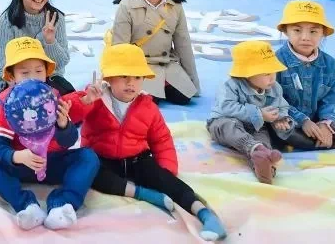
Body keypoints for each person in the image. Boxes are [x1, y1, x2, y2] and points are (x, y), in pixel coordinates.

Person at [64, 44, 227, 241]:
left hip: (137, 160)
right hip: (102, 159)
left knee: (167, 181)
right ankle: (143, 194)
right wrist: (85, 100)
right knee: (88, 172)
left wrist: (166, 170)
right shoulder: (95, 99)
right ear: (108, 78)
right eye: (124, 76)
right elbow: (67, 114)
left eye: (137, 77)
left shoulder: (147, 106)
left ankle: (204, 213)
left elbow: (161, 139)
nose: (130, 83)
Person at [0, 37, 98, 231]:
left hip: (53, 162)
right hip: (20, 166)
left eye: (39, 71)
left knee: (88, 157)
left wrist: (64, 125)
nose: (33, 77)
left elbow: (69, 141)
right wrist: (16, 157)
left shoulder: (54, 98)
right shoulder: (4, 104)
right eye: (24, 72)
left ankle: (63, 205)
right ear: (11, 77)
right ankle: (26, 206)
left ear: (46, 73)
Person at [273, 1, 335, 150]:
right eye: (297, 30)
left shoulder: (330, 63)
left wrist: (326, 123)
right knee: (282, 130)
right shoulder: (274, 62)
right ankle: (322, 140)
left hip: (317, 119)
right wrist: (303, 121)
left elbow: (333, 98)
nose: (305, 37)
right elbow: (273, 99)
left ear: (323, 33)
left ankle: (319, 137)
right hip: (289, 119)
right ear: (286, 31)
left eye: (313, 31)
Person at [110, 0, 199, 105]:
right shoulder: (126, 5)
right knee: (149, 102)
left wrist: (194, 81)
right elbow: (120, 48)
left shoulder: (175, 5)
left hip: (167, 63)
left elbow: (183, 44)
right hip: (138, 67)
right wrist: (120, 83)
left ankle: (165, 83)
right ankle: (156, 87)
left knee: (184, 98)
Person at [206, 41, 292, 184]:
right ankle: (255, 148)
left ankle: (265, 166)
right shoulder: (230, 85)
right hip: (224, 121)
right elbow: (226, 106)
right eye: (266, 73)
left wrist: (281, 118)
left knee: (263, 137)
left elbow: (281, 105)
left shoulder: (274, 87)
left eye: (274, 72)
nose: (272, 77)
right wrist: (259, 114)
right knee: (230, 127)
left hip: (256, 125)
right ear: (246, 74)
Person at [0, 0, 72, 94]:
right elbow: (3, 63)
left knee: (69, 99)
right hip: (17, 77)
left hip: (49, 77)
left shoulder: (56, 18)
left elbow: (61, 63)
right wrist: (14, 82)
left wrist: (50, 41)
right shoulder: (8, 19)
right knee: (5, 100)